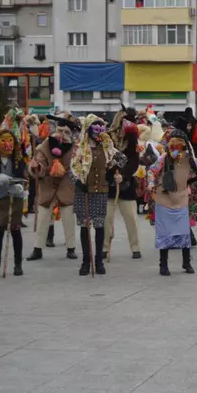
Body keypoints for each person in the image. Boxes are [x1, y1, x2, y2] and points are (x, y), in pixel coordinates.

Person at [70, 114, 124, 276]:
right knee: (84, 226)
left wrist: (112, 173)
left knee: (100, 226)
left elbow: (122, 159)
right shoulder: (80, 146)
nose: (99, 132)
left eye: (101, 128)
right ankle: (86, 261)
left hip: (100, 190)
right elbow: (72, 168)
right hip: (83, 191)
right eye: (95, 128)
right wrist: (78, 182)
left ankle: (99, 260)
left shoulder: (107, 145)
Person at [26, 113, 79, 262]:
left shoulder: (74, 148)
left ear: (70, 134)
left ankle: (71, 249)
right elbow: (38, 164)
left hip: (65, 187)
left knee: (68, 220)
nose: (62, 135)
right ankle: (37, 249)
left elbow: (77, 166)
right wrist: (37, 167)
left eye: (66, 132)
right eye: (60, 131)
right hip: (48, 186)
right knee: (42, 219)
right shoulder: (45, 145)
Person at [148, 129, 197, 276]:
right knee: (164, 233)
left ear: (184, 144)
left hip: (181, 199)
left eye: (179, 143)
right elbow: (152, 170)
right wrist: (151, 183)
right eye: (173, 143)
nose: (175, 146)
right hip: (164, 199)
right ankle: (163, 264)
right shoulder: (164, 158)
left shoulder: (190, 159)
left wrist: (192, 185)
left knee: (184, 232)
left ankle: (186, 262)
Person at [0, 129, 28, 278]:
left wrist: (20, 186)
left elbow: (24, 176)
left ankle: (18, 264)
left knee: (15, 230)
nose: (7, 144)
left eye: (10, 141)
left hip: (15, 198)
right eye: (3, 140)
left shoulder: (18, 157)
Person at [104, 106, 142, 260]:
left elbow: (134, 160)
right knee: (106, 218)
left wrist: (124, 175)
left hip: (126, 185)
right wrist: (111, 172)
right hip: (108, 183)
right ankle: (105, 247)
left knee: (131, 217)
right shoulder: (107, 138)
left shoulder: (132, 139)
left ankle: (135, 247)